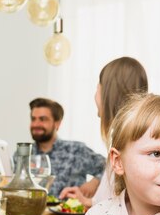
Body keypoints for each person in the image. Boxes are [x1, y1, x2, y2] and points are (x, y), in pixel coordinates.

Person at [60, 56, 148, 207]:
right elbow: (112, 202)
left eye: (97, 88)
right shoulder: (128, 136)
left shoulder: (127, 144)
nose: (95, 96)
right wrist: (85, 201)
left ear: (108, 93)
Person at [28, 97, 105, 196]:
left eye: (43, 119)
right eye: (33, 119)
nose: (36, 124)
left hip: (68, 210)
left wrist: (95, 182)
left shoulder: (77, 150)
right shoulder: (22, 155)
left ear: (57, 123)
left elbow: (110, 167)